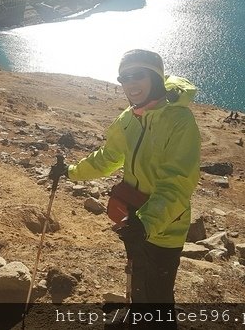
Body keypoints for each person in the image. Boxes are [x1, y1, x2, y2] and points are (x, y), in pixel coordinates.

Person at [50, 49, 200, 307]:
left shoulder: (179, 120)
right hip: (135, 219)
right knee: (137, 278)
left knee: (159, 297)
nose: (130, 83)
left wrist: (147, 224)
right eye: (124, 78)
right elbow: (108, 157)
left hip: (164, 228)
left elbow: (178, 182)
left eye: (137, 75)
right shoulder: (129, 117)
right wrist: (71, 171)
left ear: (155, 77)